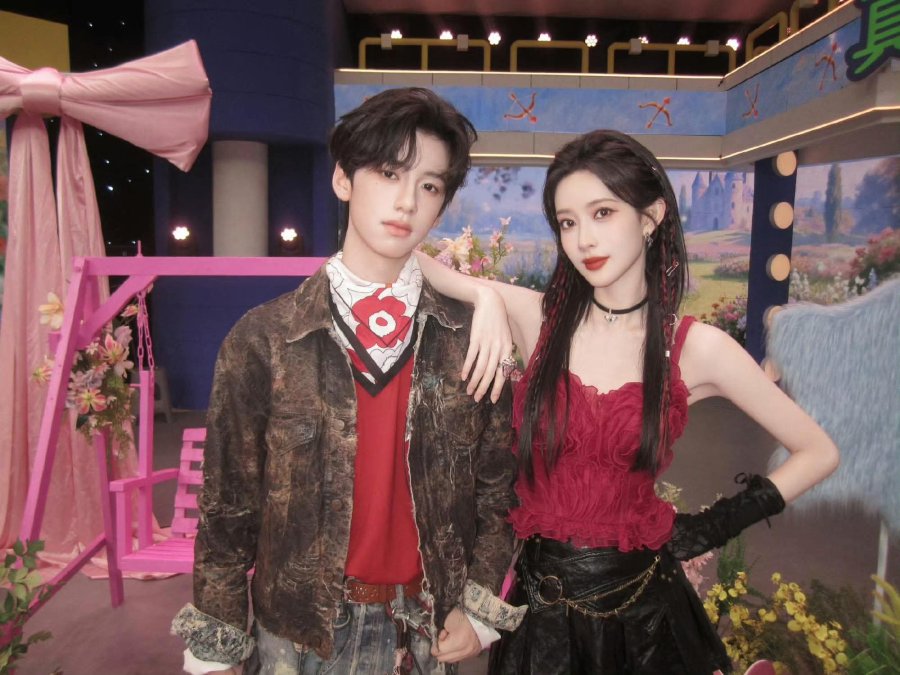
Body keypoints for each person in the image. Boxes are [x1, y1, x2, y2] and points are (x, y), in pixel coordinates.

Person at [415, 129, 840, 674]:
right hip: (541, 620)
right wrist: (485, 296)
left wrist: (709, 528)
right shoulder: (538, 319)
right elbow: (414, 262)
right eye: (568, 222)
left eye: (603, 213)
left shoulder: (696, 347)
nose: (584, 240)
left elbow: (818, 452)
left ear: (650, 216)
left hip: (644, 622)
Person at [171, 87, 525, 675]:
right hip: (300, 635)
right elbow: (228, 506)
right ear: (343, 179)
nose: (406, 201)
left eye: (429, 186)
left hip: (426, 632)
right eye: (388, 173)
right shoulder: (264, 338)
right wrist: (217, 642)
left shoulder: (470, 341)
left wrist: (479, 606)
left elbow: (498, 491)